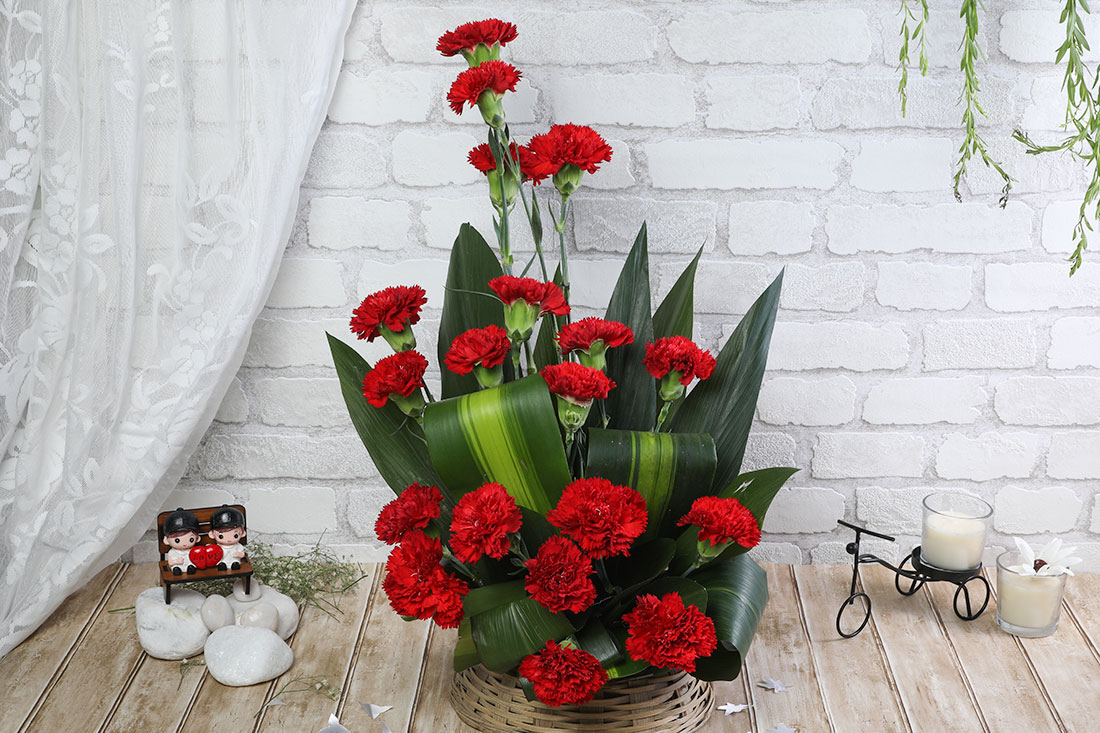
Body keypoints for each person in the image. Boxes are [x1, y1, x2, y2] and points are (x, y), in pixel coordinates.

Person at [163, 509, 201, 575]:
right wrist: (176, 561)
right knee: (175, 567)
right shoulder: (172, 552)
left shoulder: (193, 550)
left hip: (189, 565)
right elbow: (170, 562)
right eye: (177, 540)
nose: (184, 544)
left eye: (191, 539)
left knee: (191, 565)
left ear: (197, 538)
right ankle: (176, 570)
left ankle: (191, 568)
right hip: (178, 565)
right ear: (166, 540)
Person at [209, 505, 248, 571]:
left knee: (235, 563)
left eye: (235, 535)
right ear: (212, 534)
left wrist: (240, 554)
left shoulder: (238, 546)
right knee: (221, 563)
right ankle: (222, 565)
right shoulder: (218, 547)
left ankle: (235, 565)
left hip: (234, 560)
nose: (229, 539)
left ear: (243, 533)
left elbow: (243, 554)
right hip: (223, 560)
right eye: (221, 536)